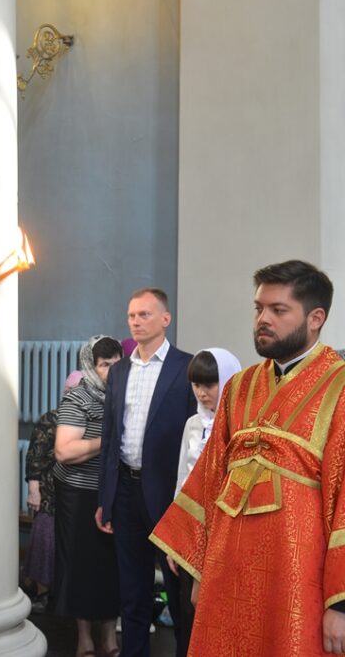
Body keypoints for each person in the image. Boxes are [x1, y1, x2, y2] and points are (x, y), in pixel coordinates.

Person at [152, 260, 345, 656]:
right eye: (259, 308)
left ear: (316, 318)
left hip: (297, 576)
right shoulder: (240, 386)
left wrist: (340, 603)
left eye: (278, 310)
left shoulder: (339, 386)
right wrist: (200, 566)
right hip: (227, 569)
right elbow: (211, 477)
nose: (263, 319)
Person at [96, 288, 197, 657]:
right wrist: (105, 499)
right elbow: (110, 437)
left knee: (178, 590)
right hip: (125, 490)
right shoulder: (120, 370)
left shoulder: (185, 367)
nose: (136, 322)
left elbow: (193, 441)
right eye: (131, 316)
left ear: (165, 319)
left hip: (167, 494)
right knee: (133, 590)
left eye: (144, 315)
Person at [162, 347, 240, 657]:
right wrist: (175, 539)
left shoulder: (240, 426)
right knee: (187, 611)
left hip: (226, 532)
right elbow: (181, 481)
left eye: (210, 384)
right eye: (196, 385)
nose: (202, 392)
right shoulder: (193, 424)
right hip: (193, 530)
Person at [54, 336, 123, 657]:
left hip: (114, 491)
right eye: (104, 364)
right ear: (90, 366)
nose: (112, 370)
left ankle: (109, 635)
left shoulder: (123, 396)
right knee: (81, 566)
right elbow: (65, 451)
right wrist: (107, 438)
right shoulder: (78, 397)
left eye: (117, 363)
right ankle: (84, 637)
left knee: (111, 565)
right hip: (79, 494)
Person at [23, 370, 81, 613]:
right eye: (68, 391)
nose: (70, 396)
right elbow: (35, 457)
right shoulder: (50, 420)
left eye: (75, 392)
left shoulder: (88, 420)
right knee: (45, 540)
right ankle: (43, 593)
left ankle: (67, 594)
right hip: (49, 492)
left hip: (77, 494)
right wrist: (34, 491)